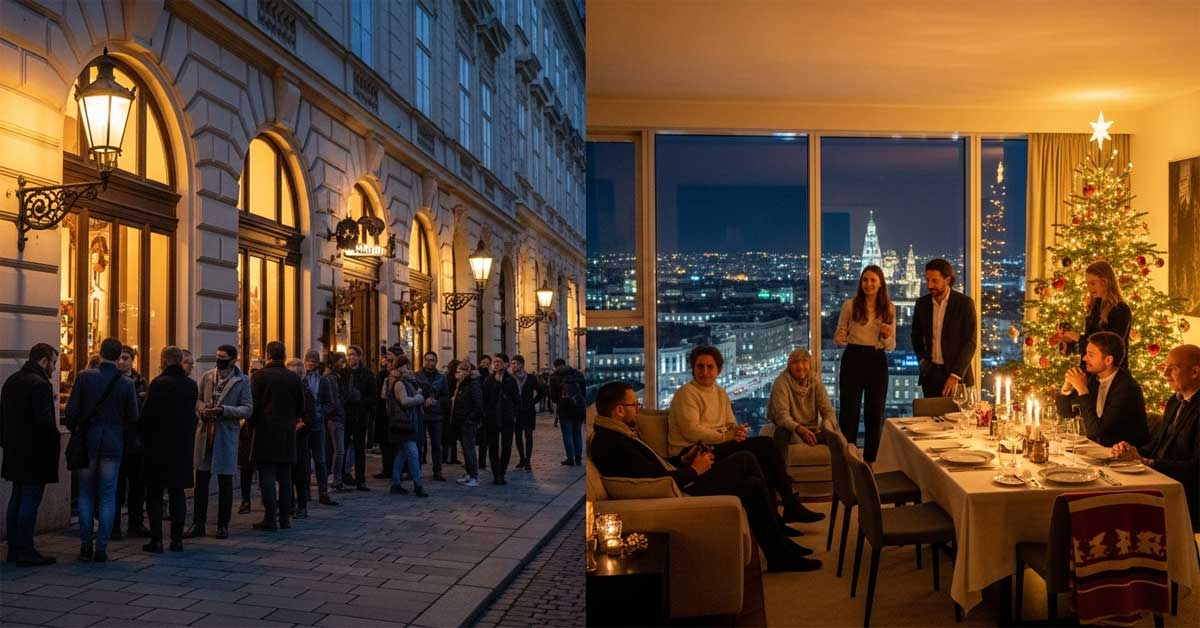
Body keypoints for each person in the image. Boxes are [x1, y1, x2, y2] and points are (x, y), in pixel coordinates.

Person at [591, 382, 821, 573]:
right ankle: (782, 538)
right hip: (681, 491)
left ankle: (778, 551)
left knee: (752, 484)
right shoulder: (612, 443)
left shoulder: (617, 435)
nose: (638, 409)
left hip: (678, 482)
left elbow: (655, 468)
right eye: (634, 404)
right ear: (619, 410)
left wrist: (684, 459)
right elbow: (653, 480)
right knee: (745, 458)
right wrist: (695, 470)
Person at [668, 345, 823, 523]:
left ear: (718, 369)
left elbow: (730, 423)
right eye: (700, 366)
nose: (705, 371)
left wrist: (737, 431)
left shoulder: (720, 392)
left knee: (766, 447)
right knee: (764, 447)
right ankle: (788, 505)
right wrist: (726, 436)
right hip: (694, 453)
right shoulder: (686, 393)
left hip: (716, 445)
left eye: (710, 367)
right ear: (693, 368)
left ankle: (779, 515)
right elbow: (692, 432)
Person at [65, 337, 139, 563]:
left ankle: (86, 544)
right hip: (113, 443)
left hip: (88, 442)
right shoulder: (126, 383)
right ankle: (102, 547)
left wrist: (77, 428)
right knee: (108, 495)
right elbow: (133, 416)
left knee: (86, 494)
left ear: (100, 352)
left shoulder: (84, 377)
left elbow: (71, 412)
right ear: (118, 356)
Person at [1112, 345, 1200, 531]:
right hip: (1160, 479)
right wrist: (1132, 452)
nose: (1165, 374)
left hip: (1186, 493)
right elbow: (1159, 444)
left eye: (1172, 368)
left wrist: (1148, 462)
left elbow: (1197, 468)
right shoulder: (1175, 401)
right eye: (1165, 367)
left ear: (1194, 372)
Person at [1, 343, 61, 566]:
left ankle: (14, 548)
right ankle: (26, 549)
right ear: (44, 361)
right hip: (35, 452)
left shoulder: (12, 380)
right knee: (29, 500)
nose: (54, 368)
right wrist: (54, 441)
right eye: (53, 363)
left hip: (14, 450)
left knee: (17, 497)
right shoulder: (40, 385)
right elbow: (45, 422)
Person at [187, 345, 251, 540]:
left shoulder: (242, 380)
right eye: (217, 356)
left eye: (223, 357)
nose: (219, 360)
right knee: (201, 481)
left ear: (232, 360)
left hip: (225, 433)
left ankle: (223, 525)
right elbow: (197, 400)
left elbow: (247, 409)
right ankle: (198, 523)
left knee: (225, 482)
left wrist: (224, 410)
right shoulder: (208, 376)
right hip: (205, 432)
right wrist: (203, 409)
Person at [139, 346, 199, 553]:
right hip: (181, 446)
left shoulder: (158, 384)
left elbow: (146, 416)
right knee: (177, 493)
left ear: (164, 361)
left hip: (158, 446)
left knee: (155, 493)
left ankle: (157, 540)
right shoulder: (190, 385)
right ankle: (177, 539)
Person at [834, 266, 896, 462]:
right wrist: (840, 338)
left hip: (877, 360)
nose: (868, 284)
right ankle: (848, 461)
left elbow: (891, 346)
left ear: (880, 284)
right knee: (849, 412)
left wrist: (886, 336)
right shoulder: (850, 305)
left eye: (873, 280)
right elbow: (839, 335)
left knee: (875, 413)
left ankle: (871, 463)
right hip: (853, 358)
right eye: (865, 280)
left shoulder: (889, 308)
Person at [1054, 331, 1150, 447]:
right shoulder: (1093, 379)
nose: (1084, 358)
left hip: (1123, 454)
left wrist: (1082, 390)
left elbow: (1096, 431)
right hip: (1097, 449)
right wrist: (1066, 388)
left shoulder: (1127, 389)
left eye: (1091, 355)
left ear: (1108, 360)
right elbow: (1066, 413)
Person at [249, 341, 303, 531]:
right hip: (287, 431)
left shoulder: (259, 376)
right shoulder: (294, 378)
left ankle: (270, 518)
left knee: (267, 476)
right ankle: (285, 519)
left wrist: (251, 425)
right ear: (284, 355)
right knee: (285, 476)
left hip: (265, 430)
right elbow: (301, 407)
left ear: (267, 355)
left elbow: (253, 406)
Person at [911, 258, 978, 398]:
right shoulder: (922, 304)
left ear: (947, 280)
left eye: (934, 281)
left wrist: (955, 375)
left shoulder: (964, 304)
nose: (929, 285)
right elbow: (915, 337)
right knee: (931, 413)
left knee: (958, 412)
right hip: (930, 376)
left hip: (957, 377)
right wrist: (923, 361)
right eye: (927, 280)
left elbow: (970, 343)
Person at [767, 348, 838, 464]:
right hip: (791, 430)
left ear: (810, 364)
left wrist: (827, 427)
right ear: (789, 366)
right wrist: (800, 429)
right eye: (795, 362)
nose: (800, 366)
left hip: (812, 431)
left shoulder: (815, 381)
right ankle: (780, 474)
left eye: (804, 361)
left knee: (835, 435)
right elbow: (782, 416)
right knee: (781, 432)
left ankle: (843, 472)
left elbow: (828, 411)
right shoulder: (781, 383)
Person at [1061, 260, 1132, 365]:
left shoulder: (1120, 309)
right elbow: (1089, 342)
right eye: (1088, 283)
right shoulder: (1095, 306)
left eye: (1093, 283)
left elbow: (1109, 348)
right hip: (1091, 370)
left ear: (1105, 282)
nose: (1090, 288)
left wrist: (1078, 338)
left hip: (1109, 372)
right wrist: (1070, 346)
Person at [113, 344, 150, 540]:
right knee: (115, 486)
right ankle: (114, 526)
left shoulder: (141, 381)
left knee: (137, 486)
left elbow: (146, 409)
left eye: (126, 358)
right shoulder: (111, 380)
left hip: (136, 441)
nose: (121, 362)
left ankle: (136, 524)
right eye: (119, 358)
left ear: (132, 360)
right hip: (116, 440)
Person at [385, 356, 428, 497]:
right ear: (400, 367)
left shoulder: (407, 381)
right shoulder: (399, 383)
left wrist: (416, 388)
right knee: (413, 454)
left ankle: (396, 483)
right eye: (407, 367)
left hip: (407, 423)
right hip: (404, 424)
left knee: (401, 454)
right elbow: (404, 401)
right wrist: (419, 399)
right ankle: (418, 485)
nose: (409, 369)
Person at [302, 350, 337, 506]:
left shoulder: (323, 381)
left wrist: (321, 413)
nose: (311, 363)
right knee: (304, 460)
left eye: (314, 361)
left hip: (318, 424)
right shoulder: (301, 378)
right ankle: (305, 492)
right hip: (304, 425)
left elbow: (330, 403)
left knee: (320, 460)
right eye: (309, 360)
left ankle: (323, 492)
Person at [482, 353, 520, 484]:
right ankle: (496, 474)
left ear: (505, 364)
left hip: (507, 419)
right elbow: (485, 399)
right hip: (492, 419)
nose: (496, 364)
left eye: (499, 362)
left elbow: (516, 400)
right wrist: (485, 414)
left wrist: (513, 414)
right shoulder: (488, 380)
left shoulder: (511, 380)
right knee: (493, 447)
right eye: (495, 362)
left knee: (506, 447)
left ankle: (502, 472)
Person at [414, 351, 450, 481]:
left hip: (436, 416)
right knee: (419, 444)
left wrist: (436, 401)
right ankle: (416, 470)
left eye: (432, 360)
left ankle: (437, 471)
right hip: (421, 414)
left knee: (436, 445)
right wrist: (422, 399)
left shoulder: (441, 378)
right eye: (427, 360)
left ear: (436, 362)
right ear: (424, 361)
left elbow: (446, 396)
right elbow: (412, 392)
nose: (429, 362)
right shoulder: (417, 376)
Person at [287, 358, 314, 518]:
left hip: (300, 437)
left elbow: (309, 418)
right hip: (288, 436)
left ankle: (302, 505)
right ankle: (289, 503)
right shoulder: (286, 391)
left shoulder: (306, 392)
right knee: (287, 473)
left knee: (300, 473)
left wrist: (298, 426)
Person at [345, 345, 375, 491]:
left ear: (359, 356)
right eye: (348, 355)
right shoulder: (343, 373)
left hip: (360, 416)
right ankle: (343, 476)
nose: (350, 357)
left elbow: (372, 397)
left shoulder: (367, 374)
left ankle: (360, 479)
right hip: (346, 416)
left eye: (353, 354)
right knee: (343, 448)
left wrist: (361, 403)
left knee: (359, 449)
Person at [451, 360, 484, 487]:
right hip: (461, 422)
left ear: (466, 372)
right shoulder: (462, 384)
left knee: (469, 449)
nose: (457, 374)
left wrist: (470, 420)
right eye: (456, 372)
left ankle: (474, 476)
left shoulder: (473, 384)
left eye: (459, 372)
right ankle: (469, 474)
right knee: (465, 449)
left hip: (468, 423)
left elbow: (478, 405)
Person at [549, 357, 586, 466]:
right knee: (577, 433)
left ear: (555, 366)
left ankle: (570, 458)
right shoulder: (578, 374)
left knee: (567, 434)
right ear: (565, 364)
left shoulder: (554, 376)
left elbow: (553, 397)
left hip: (564, 409)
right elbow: (584, 392)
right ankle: (578, 458)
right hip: (578, 408)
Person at [510, 355, 544, 471]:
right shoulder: (510, 378)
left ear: (522, 365)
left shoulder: (531, 378)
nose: (514, 366)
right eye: (513, 363)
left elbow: (541, 392)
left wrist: (532, 402)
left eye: (516, 363)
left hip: (528, 411)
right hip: (516, 412)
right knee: (518, 435)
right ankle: (522, 459)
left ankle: (528, 461)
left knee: (528, 435)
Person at [324, 351, 348, 492]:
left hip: (337, 416)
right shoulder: (330, 377)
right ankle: (335, 479)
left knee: (338, 450)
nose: (343, 364)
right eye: (341, 361)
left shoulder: (336, 376)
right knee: (339, 450)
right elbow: (334, 398)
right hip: (335, 417)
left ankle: (336, 478)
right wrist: (338, 411)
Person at [442, 358, 463, 466]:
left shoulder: (447, 377)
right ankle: (450, 457)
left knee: (449, 436)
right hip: (450, 410)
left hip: (448, 410)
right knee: (450, 436)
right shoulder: (452, 379)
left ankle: (449, 457)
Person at [477, 354, 492, 470]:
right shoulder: (476, 375)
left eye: (487, 363)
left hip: (486, 411)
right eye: (484, 362)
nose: (485, 365)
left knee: (484, 438)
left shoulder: (491, 376)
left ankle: (482, 461)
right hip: (476, 409)